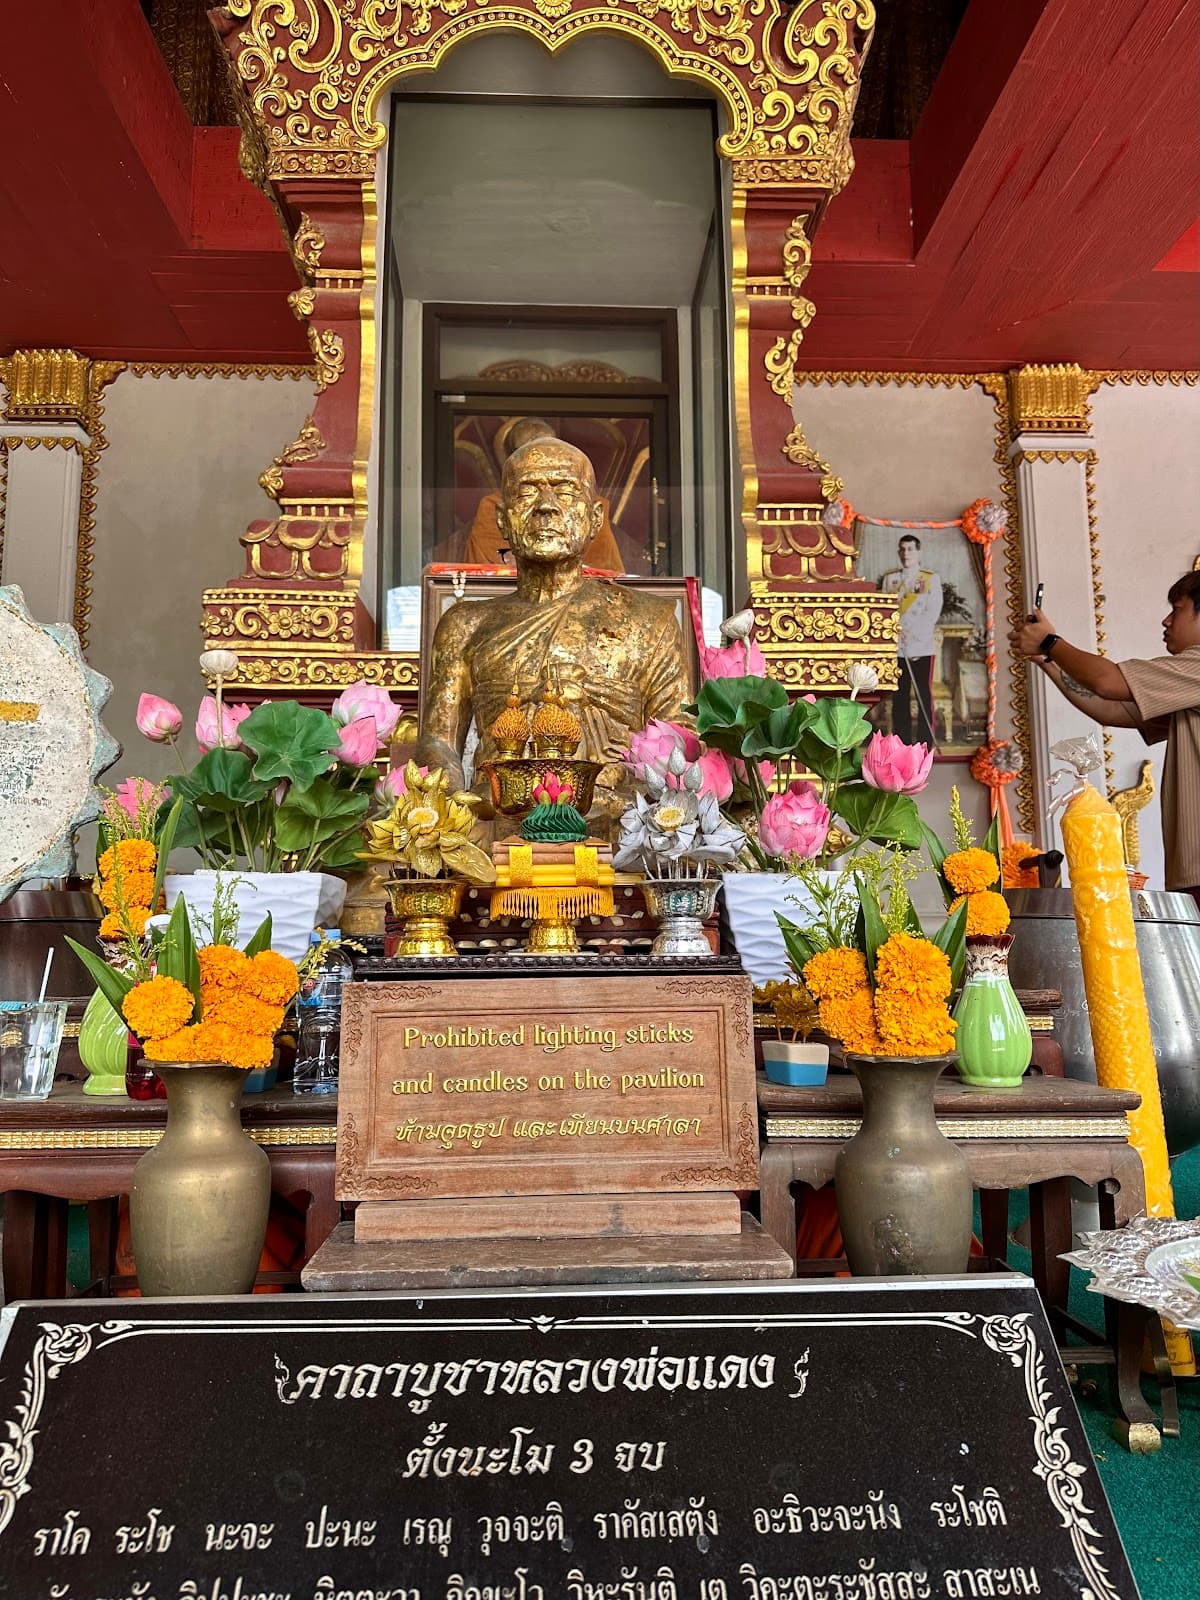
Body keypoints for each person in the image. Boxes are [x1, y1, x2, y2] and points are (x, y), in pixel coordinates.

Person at [418, 435, 688, 816]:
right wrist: (445, 806)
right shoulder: (465, 625)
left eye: (565, 491)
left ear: (595, 518)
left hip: (616, 824)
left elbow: (680, 739)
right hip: (499, 818)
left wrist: (639, 774)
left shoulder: (648, 621)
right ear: (502, 520)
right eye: (527, 492)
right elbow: (438, 742)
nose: (546, 506)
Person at [1009, 570, 1200, 895]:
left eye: (1177, 609)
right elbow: (1111, 708)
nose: (1166, 621)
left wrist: (1051, 642)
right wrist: (1047, 660)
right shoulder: (1185, 684)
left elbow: (1107, 682)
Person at [462, 417, 625, 573]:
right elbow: (484, 574)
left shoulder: (587, 506)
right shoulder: (493, 507)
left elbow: (607, 573)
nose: (545, 505)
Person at [880, 534, 943, 744]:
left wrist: (909, 631)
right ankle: (902, 741)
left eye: (910, 549)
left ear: (918, 552)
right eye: (902, 549)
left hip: (921, 646)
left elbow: (932, 612)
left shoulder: (929, 578)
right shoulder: (890, 579)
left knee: (923, 695)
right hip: (897, 647)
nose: (906, 554)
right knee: (900, 696)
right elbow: (884, 610)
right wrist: (895, 629)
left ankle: (926, 742)